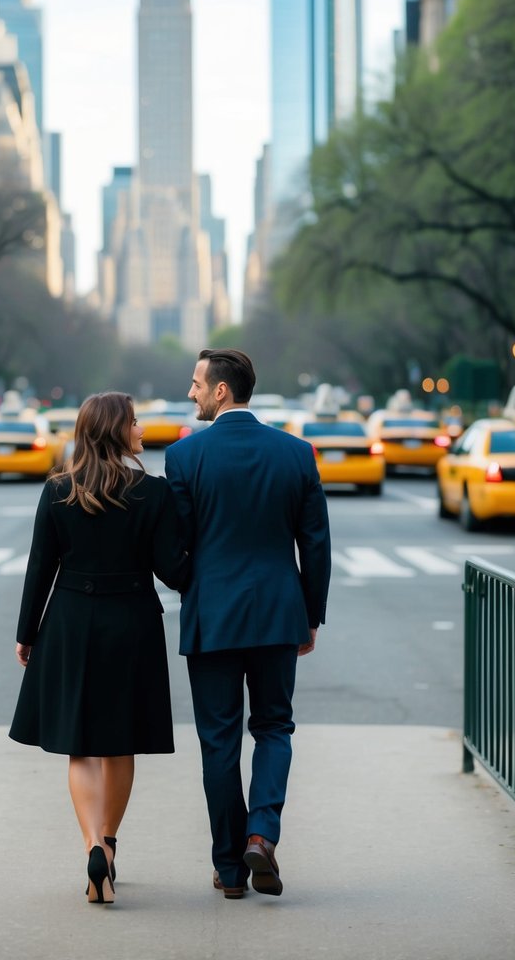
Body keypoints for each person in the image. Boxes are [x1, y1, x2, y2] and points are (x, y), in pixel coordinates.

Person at [10, 392, 189, 905]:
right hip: (131, 620)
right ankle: (109, 845)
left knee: (80, 744)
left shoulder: (58, 490)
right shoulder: (151, 493)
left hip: (69, 620)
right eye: (134, 422)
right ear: (116, 431)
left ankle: (91, 844)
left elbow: (39, 568)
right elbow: (173, 572)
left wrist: (27, 633)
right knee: (120, 741)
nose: (141, 430)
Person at [164, 349, 331, 900]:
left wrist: (198, 586)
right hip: (279, 613)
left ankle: (230, 871)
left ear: (220, 392)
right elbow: (315, 545)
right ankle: (261, 833)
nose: (190, 393)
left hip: (213, 616)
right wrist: (309, 615)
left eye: (195, 384)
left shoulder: (185, 458)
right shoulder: (296, 454)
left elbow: (175, 546)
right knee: (275, 728)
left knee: (218, 742)